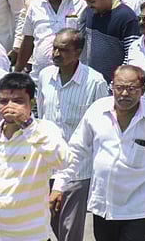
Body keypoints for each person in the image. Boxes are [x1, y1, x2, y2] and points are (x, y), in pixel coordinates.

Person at [52, 65, 145, 241]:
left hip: (137, 209)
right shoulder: (97, 111)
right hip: (103, 206)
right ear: (112, 87)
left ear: (142, 90)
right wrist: (59, 185)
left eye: (131, 89)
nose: (124, 94)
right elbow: (76, 151)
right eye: (119, 87)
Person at [36, 28, 109, 241]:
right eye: (55, 48)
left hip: (78, 168)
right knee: (50, 222)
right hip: (47, 165)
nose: (56, 54)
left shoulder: (95, 82)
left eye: (64, 50)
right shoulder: (45, 76)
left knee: (70, 230)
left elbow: (102, 127)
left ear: (77, 52)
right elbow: (42, 113)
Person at [0, 72, 69, 241]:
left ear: (32, 103)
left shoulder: (44, 130)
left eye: (18, 101)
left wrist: (27, 126)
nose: (10, 107)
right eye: (4, 101)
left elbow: (63, 161)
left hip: (30, 235)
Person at [14, 0, 85, 80]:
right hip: (40, 77)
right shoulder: (36, 6)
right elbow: (28, 39)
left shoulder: (82, 3)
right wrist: (17, 71)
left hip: (74, 77)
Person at [79, 0, 141, 83]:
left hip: (114, 86)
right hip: (90, 82)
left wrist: (116, 82)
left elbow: (131, 54)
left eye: (92, 2)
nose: (89, 5)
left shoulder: (126, 17)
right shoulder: (89, 12)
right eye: (87, 2)